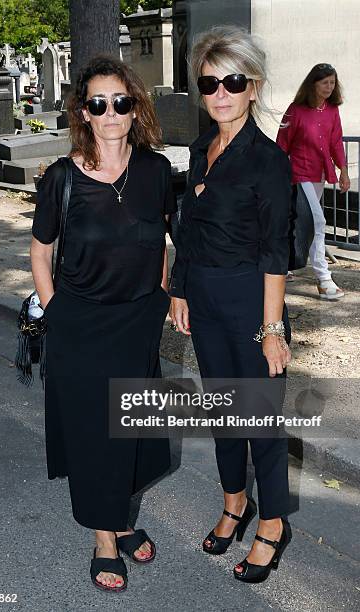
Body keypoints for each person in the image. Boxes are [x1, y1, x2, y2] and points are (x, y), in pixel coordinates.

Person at [30, 55, 176, 593]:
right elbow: (41, 253)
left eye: (121, 101)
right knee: (96, 436)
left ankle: (124, 514)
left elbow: (163, 237)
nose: (110, 112)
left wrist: (164, 294)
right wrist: (56, 311)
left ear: (134, 108)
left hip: (137, 322)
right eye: (98, 103)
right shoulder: (62, 178)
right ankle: (105, 539)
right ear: (83, 113)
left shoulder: (157, 171)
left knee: (132, 428)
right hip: (80, 327)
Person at [169, 26, 292, 584]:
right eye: (209, 82)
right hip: (207, 300)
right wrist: (179, 290)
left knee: (260, 421)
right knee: (223, 416)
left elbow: (275, 253)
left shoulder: (268, 161)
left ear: (253, 87)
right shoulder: (201, 149)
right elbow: (188, 234)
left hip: (250, 301)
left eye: (232, 81)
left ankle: (272, 525)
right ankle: (234, 503)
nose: (219, 92)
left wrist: (271, 327)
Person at [277, 63, 350, 299]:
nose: (329, 87)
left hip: (320, 173)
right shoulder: (295, 110)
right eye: (324, 82)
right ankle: (324, 279)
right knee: (318, 222)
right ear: (313, 84)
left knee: (299, 222)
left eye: (332, 82)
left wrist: (344, 171)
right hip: (298, 172)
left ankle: (283, 264)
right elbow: (281, 144)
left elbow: (336, 142)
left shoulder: (332, 110)